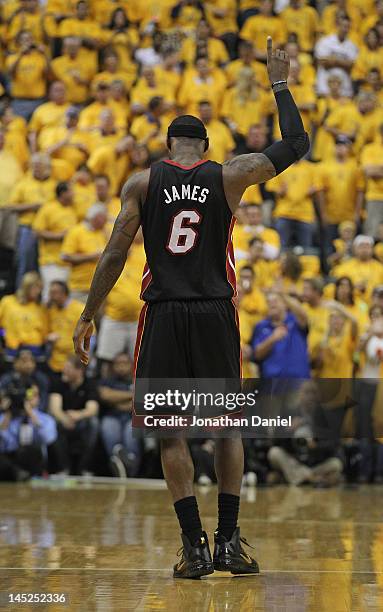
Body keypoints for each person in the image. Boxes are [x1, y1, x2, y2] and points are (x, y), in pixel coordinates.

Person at [73, 38, 309, 578]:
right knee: (227, 429)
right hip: (213, 312)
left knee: (170, 432)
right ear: (202, 146)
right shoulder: (229, 175)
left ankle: (193, 547)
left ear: (167, 146)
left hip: (162, 314)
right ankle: (228, 541)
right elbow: (297, 141)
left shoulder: (141, 182)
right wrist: (279, 84)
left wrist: (88, 313)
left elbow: (112, 255)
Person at [48, 355, 99, 475]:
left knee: (94, 423)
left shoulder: (89, 384)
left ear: (79, 371)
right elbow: (54, 408)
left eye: (68, 368)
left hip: (81, 420)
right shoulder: (58, 382)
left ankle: (83, 468)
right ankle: (64, 467)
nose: (64, 371)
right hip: (63, 420)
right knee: (53, 424)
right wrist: (64, 419)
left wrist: (78, 415)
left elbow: (93, 409)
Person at [0, 382, 57, 481]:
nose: (25, 399)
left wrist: (30, 414)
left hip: (32, 461)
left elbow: (48, 438)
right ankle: (17, 473)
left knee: (32, 449)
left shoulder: (45, 419)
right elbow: (4, 446)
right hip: (9, 462)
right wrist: (7, 414)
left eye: (32, 395)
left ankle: (19, 473)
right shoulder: (4, 418)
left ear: (38, 398)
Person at [98, 353, 141, 478]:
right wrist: (131, 394)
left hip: (132, 417)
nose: (121, 367)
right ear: (113, 366)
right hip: (112, 417)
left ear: (131, 365)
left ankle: (130, 465)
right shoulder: (107, 381)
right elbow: (105, 395)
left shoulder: (138, 379)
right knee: (108, 426)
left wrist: (116, 399)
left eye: (125, 363)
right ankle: (117, 462)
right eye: (118, 364)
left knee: (132, 430)